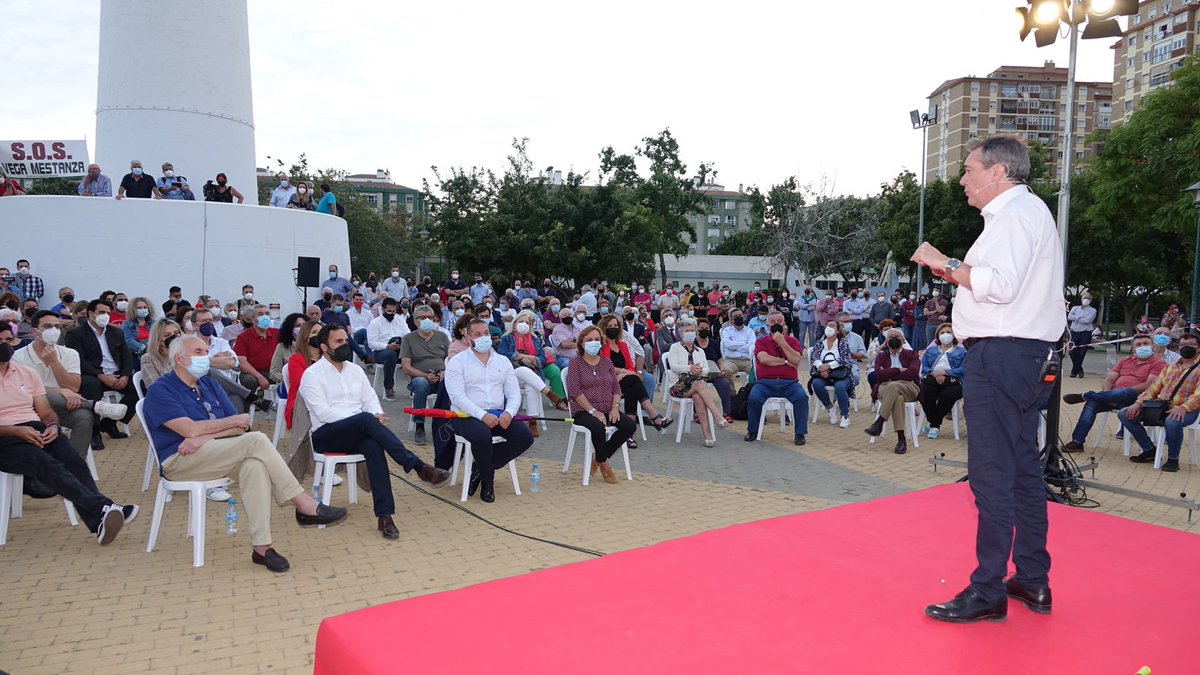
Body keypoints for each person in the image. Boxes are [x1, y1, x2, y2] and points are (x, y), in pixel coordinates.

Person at [912, 134, 1065, 623]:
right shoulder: (1023, 215)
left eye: (970, 169)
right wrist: (957, 272)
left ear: (998, 173)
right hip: (1018, 356)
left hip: (1002, 356)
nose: (962, 179)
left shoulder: (1016, 216)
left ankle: (988, 589)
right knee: (1020, 469)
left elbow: (999, 286)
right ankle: (1032, 580)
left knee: (992, 473)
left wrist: (947, 265)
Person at [142, 335, 346, 571]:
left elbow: (242, 425)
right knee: (258, 440)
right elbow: (189, 428)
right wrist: (207, 430)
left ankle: (262, 548)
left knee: (255, 466)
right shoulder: (161, 390)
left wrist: (205, 436)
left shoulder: (209, 384)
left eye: (206, 351)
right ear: (180, 358)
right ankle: (304, 504)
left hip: (216, 453)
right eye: (199, 352)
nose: (206, 356)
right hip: (179, 460)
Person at [300, 325, 450, 540]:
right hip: (326, 435)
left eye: (346, 340)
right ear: (325, 347)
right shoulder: (312, 374)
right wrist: (366, 419)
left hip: (359, 430)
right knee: (364, 420)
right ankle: (418, 466)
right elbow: (323, 413)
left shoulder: (355, 370)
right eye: (338, 342)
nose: (345, 345)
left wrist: (376, 414)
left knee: (373, 446)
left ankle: (385, 516)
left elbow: (369, 399)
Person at [0, 323, 136, 545]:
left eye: (8, 340)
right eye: (0, 341)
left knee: (74, 461)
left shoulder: (25, 373)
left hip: (36, 428)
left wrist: (52, 426)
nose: (5, 346)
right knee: (47, 464)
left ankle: (99, 521)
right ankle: (103, 507)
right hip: (5, 438)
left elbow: (45, 412)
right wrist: (16, 430)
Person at [12, 311, 127, 459]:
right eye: (47, 326)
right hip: (32, 408)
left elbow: (73, 388)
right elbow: (25, 390)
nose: (53, 331)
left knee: (84, 418)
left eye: (56, 327)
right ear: (34, 331)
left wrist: (54, 362)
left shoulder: (70, 353)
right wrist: (61, 391)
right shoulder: (18, 357)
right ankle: (93, 405)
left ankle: (73, 465)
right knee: (37, 394)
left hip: (66, 406)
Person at [444, 320, 534, 503]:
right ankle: (487, 481)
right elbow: (457, 397)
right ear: (468, 338)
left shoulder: (503, 361)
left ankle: (483, 466)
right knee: (481, 436)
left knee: (525, 437)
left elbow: (513, 392)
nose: (484, 337)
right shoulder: (457, 362)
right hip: (466, 415)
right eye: (478, 335)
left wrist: (509, 412)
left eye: (486, 333)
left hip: (499, 413)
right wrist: (482, 415)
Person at [1062, 334, 1164, 452]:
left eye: (1146, 343)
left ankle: (1087, 395)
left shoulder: (1159, 363)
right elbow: (1109, 380)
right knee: (1092, 403)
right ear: (1133, 348)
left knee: (1126, 391)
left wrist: (1114, 395)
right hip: (1112, 397)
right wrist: (1108, 396)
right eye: (1138, 344)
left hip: (1137, 399)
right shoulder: (1125, 361)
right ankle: (1077, 442)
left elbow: (1148, 386)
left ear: (1152, 346)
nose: (1142, 346)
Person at [565, 326, 639, 484]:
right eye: (589, 340)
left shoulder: (607, 363)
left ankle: (598, 457)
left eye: (597, 339)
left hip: (607, 407)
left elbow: (616, 389)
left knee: (629, 426)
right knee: (597, 427)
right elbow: (575, 391)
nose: (594, 342)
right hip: (583, 411)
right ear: (582, 343)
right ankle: (605, 465)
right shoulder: (575, 363)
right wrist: (593, 411)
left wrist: (615, 407)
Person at [63, 299, 139, 450]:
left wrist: (125, 376)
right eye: (102, 312)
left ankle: (110, 423)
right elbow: (79, 360)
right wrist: (101, 375)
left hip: (116, 374)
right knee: (90, 386)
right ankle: (94, 431)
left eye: (108, 313)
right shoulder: (75, 334)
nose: (105, 316)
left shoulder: (116, 332)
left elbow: (127, 356)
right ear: (91, 314)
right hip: (92, 374)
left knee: (139, 386)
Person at [1119, 332, 1200, 473]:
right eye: (1183, 345)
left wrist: (1183, 407)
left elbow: (1198, 395)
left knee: (1172, 421)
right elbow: (1154, 388)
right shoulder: (1171, 366)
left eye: (1191, 344)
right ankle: (1149, 449)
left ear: (1198, 348)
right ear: (1178, 348)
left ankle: (1173, 459)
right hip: (1162, 406)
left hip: (1188, 410)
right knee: (1125, 413)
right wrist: (1138, 402)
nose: (1186, 347)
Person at [597, 314, 672, 448]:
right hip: (607, 382)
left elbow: (630, 365)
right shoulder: (600, 346)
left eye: (615, 326)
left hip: (624, 381)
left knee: (631, 390)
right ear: (604, 328)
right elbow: (603, 367)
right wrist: (622, 372)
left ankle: (628, 435)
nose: (613, 328)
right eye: (610, 326)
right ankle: (654, 416)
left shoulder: (623, 345)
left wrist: (626, 373)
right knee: (632, 379)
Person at [740, 311, 809, 446]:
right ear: (767, 325)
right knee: (753, 398)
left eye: (779, 322)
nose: (776, 324)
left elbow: (796, 360)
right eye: (773, 322)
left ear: (784, 324)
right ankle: (752, 430)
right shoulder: (761, 341)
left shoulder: (792, 341)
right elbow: (763, 359)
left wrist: (782, 343)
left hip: (789, 383)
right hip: (765, 383)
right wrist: (784, 362)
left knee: (801, 397)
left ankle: (800, 433)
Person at [864, 328, 920, 453]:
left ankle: (880, 422)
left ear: (903, 339)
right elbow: (879, 375)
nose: (894, 338)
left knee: (893, 386)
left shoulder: (911, 354)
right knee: (897, 397)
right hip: (885, 386)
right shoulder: (882, 356)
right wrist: (899, 370)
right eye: (890, 337)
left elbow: (913, 373)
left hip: (909, 386)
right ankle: (901, 439)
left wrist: (888, 373)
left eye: (897, 336)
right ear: (886, 341)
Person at [400, 306, 450, 444]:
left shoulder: (442, 336)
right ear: (415, 321)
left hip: (442, 376)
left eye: (429, 317)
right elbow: (406, 367)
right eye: (422, 318)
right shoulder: (408, 338)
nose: (427, 320)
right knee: (421, 384)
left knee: (451, 383)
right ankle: (420, 426)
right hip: (420, 378)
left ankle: (445, 425)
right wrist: (425, 376)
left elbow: (452, 359)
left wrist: (446, 372)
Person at [918, 323, 966, 441]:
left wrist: (946, 372)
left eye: (949, 332)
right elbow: (924, 368)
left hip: (953, 379)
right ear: (938, 336)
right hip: (932, 377)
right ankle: (935, 424)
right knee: (924, 391)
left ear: (954, 335)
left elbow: (963, 369)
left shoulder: (962, 352)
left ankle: (933, 425)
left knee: (949, 394)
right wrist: (934, 373)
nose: (945, 335)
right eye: (942, 332)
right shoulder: (931, 351)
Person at [809, 319, 855, 428]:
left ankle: (845, 415)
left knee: (840, 387)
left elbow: (845, 359)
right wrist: (822, 367)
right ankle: (830, 408)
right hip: (823, 373)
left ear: (838, 330)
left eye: (833, 326)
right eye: (828, 326)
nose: (830, 327)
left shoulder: (843, 343)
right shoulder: (820, 343)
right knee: (816, 384)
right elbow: (814, 357)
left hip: (840, 374)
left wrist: (828, 366)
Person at [366, 298, 409, 401]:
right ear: (383, 309)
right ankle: (389, 387)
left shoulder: (400, 320)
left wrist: (402, 343)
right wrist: (386, 346)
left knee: (415, 352)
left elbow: (408, 335)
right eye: (389, 311)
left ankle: (415, 386)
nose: (392, 313)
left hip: (399, 349)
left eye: (394, 311)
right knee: (390, 354)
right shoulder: (375, 323)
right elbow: (371, 343)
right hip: (381, 352)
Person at [139, 320, 181, 387]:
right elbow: (154, 387)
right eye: (167, 335)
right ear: (158, 339)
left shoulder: (186, 354)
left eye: (176, 333)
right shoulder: (148, 358)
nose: (174, 337)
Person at [269, 313, 307, 384]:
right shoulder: (281, 346)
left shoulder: (315, 345)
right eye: (298, 326)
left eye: (304, 325)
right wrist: (287, 379)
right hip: (289, 385)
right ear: (290, 329)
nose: (302, 328)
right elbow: (274, 373)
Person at [719, 309, 755, 383]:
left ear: (743, 317)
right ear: (731, 320)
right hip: (731, 360)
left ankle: (750, 392)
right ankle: (732, 393)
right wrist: (744, 343)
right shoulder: (726, 331)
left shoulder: (750, 331)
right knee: (725, 371)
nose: (738, 317)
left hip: (747, 360)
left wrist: (735, 347)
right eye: (735, 316)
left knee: (757, 371)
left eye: (740, 315)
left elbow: (751, 346)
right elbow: (728, 345)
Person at [1066, 293, 1097, 378]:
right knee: (1072, 352)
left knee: (1081, 353)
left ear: (1091, 300)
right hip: (1074, 333)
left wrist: (1076, 318)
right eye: (1085, 297)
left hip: (1085, 334)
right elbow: (1069, 317)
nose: (1086, 299)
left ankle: (1074, 371)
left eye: (1088, 298)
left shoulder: (1093, 310)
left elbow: (1088, 320)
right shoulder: (1075, 308)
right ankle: (1079, 369)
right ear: (1081, 298)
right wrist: (1080, 317)